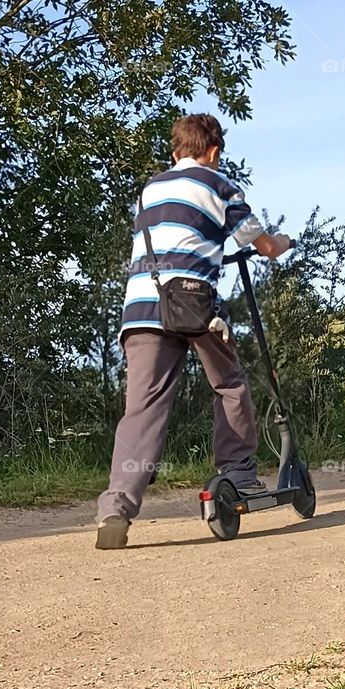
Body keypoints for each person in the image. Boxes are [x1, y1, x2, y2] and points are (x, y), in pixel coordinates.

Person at [95, 113, 292, 549]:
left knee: (142, 410)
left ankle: (115, 509)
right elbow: (262, 245)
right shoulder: (220, 185)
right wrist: (283, 243)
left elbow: (176, 238)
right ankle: (238, 474)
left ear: (175, 151)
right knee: (230, 385)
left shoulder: (151, 188)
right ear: (215, 151)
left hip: (142, 309)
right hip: (196, 308)